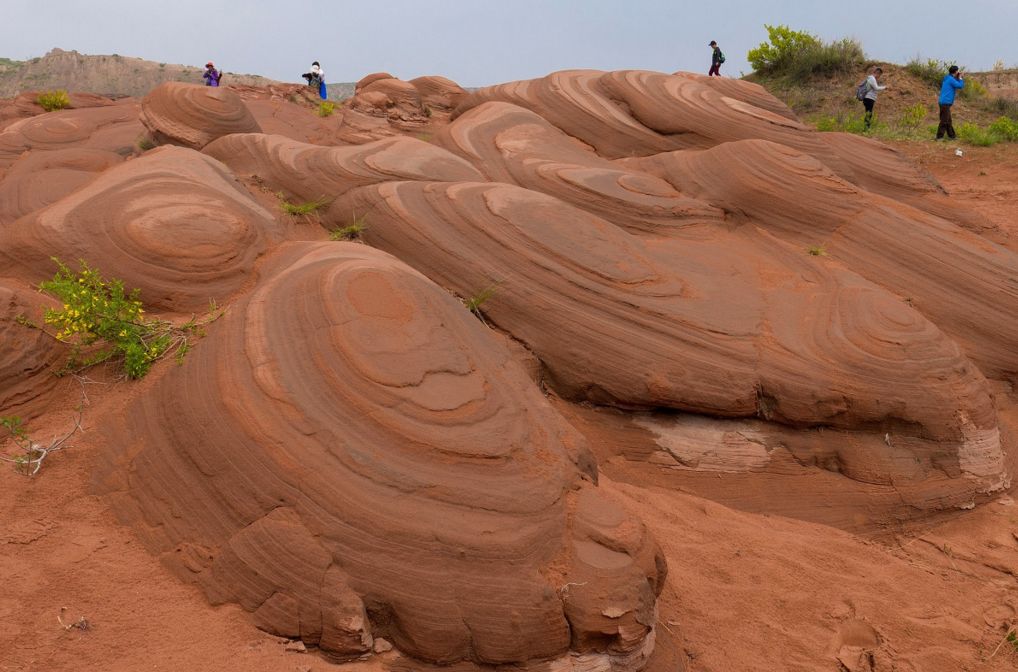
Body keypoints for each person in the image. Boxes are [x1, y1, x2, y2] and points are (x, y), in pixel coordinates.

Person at [937, 65, 964, 140]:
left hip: (944, 102)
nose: (958, 72)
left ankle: (952, 136)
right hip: (945, 103)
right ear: (955, 72)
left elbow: (954, 83)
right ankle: (939, 137)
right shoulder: (951, 80)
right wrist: (960, 78)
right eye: (957, 71)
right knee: (944, 120)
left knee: (948, 120)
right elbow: (960, 86)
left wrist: (957, 77)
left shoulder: (947, 78)